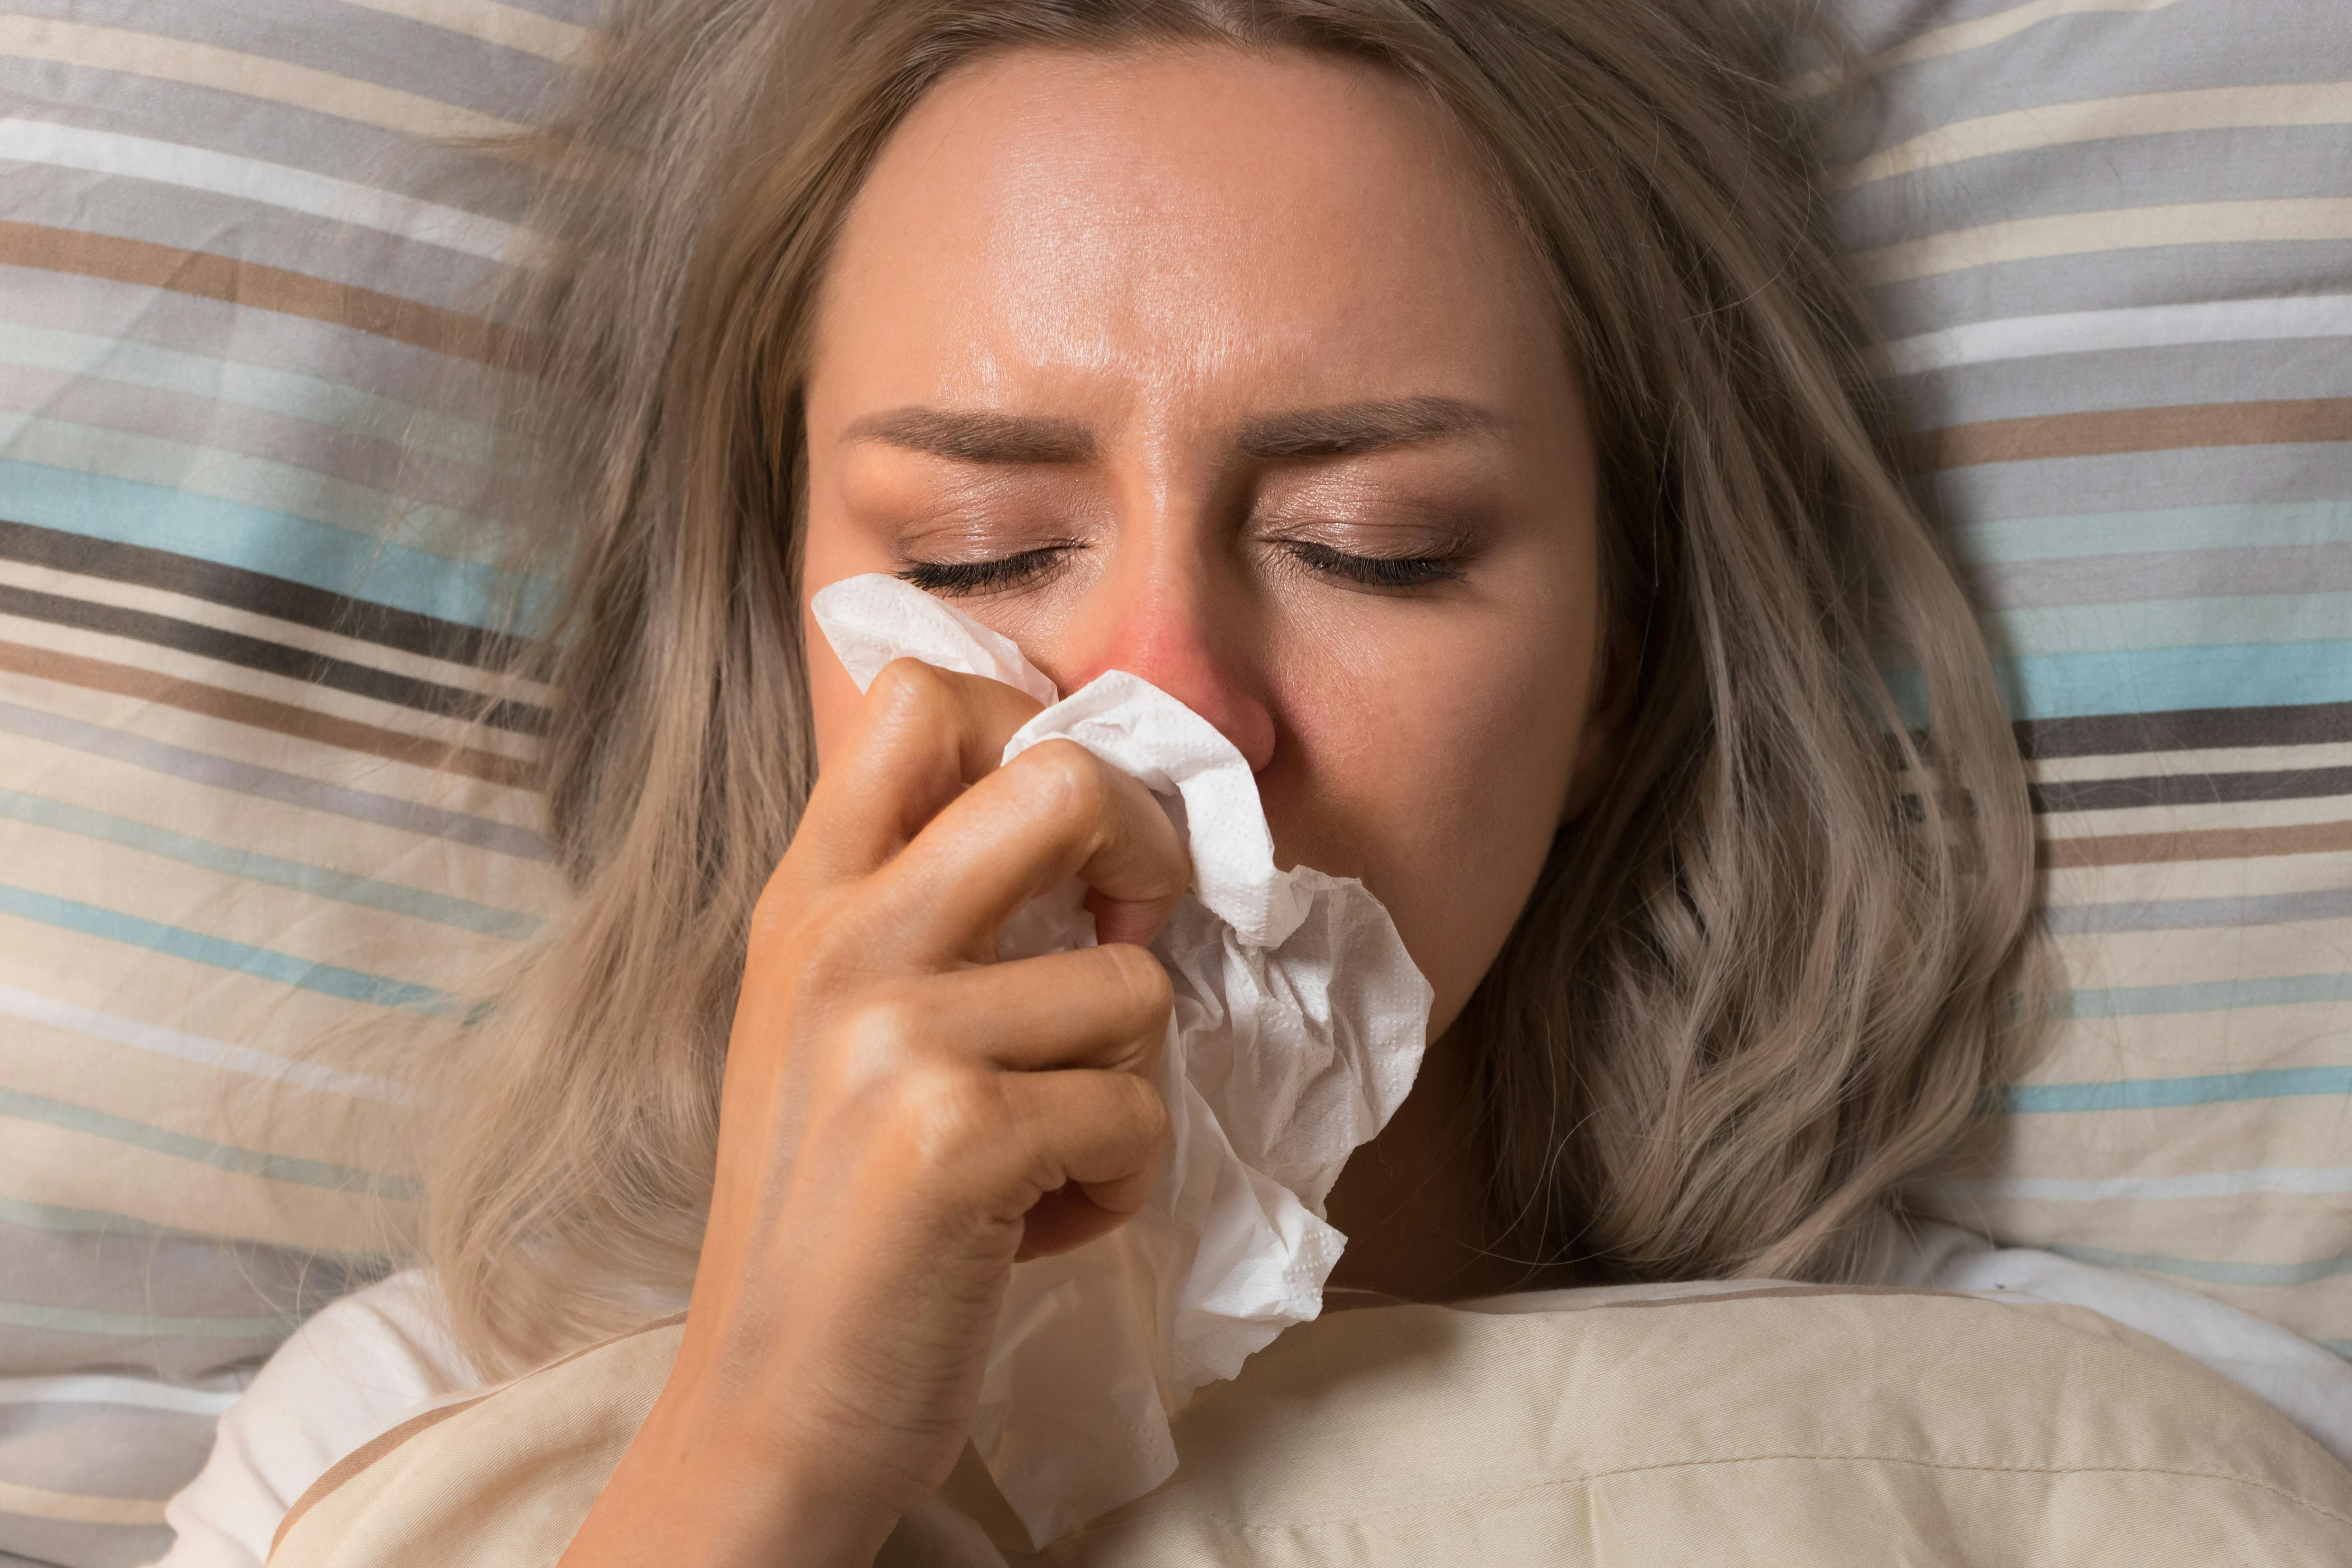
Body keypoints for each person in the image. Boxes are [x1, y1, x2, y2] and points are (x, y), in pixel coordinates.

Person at [155, 1, 2352, 1563]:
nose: (1173, 707)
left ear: (1622, 665)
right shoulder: (393, 1441)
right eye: (977, 557)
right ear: (782, 639)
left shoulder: (2087, 1463)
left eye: (1367, 547)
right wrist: (766, 1447)